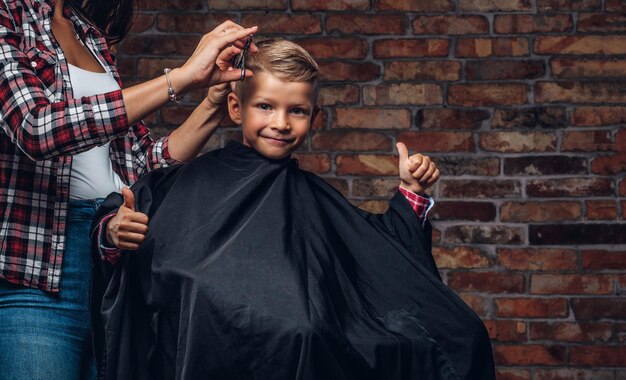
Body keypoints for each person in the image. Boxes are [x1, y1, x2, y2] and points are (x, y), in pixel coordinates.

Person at [92, 38, 495, 379]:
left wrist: (412, 192)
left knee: (458, 334)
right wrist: (114, 230)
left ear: (313, 117)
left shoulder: (313, 197)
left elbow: (382, 256)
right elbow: (123, 219)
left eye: (296, 111)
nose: (281, 123)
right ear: (236, 108)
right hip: (207, 347)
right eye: (265, 106)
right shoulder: (186, 181)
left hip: (302, 350)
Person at [0, 0, 257, 378]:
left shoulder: (89, 34)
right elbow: (37, 128)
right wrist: (182, 77)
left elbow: (142, 164)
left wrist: (213, 102)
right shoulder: (8, 16)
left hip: (114, 263)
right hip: (37, 276)